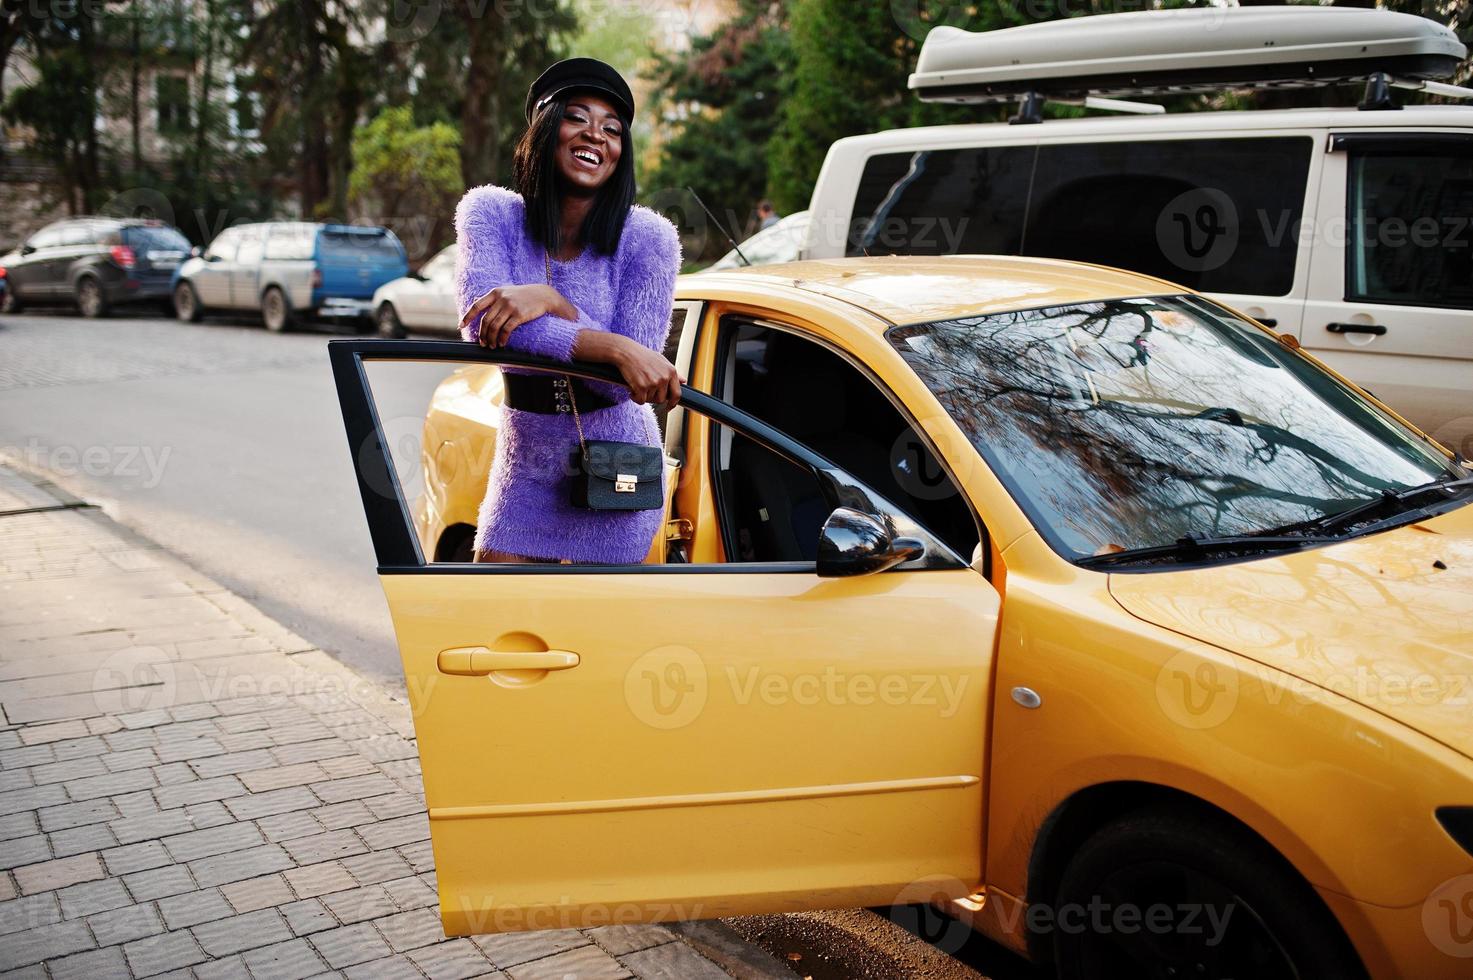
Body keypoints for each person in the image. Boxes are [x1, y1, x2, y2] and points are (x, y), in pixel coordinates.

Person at [454, 57, 682, 565]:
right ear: (544, 128)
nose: (596, 135)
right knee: (497, 624)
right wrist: (612, 346)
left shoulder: (649, 238)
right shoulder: (489, 213)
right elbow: (483, 328)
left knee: (594, 635)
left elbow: (617, 384)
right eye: (577, 117)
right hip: (526, 467)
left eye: (613, 129)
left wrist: (552, 304)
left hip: (615, 466)